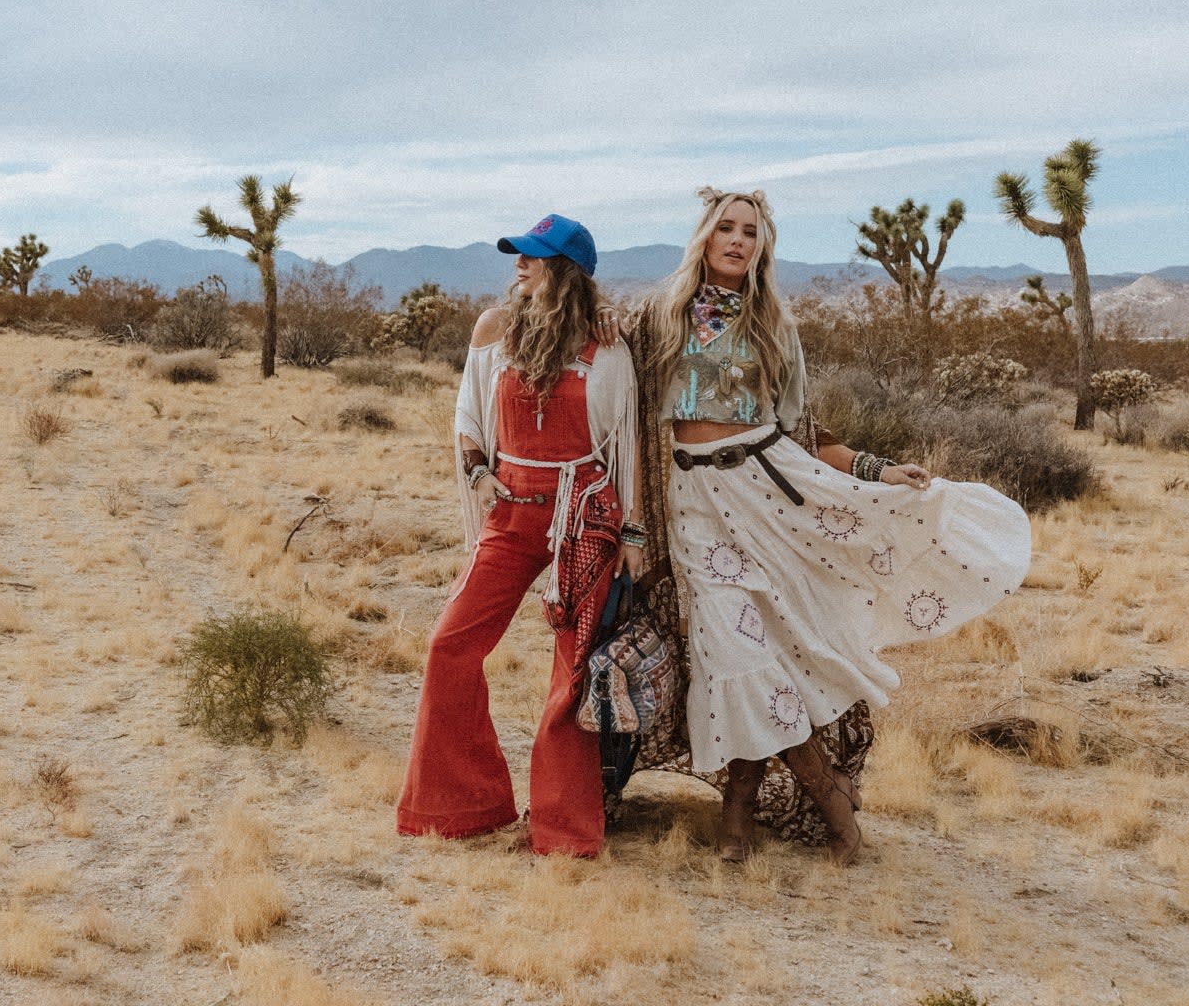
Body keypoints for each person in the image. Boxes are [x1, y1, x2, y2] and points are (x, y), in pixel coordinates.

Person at [622, 187, 1032, 863]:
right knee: (733, 653)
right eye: (726, 228)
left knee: (768, 659)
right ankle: (827, 806)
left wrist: (877, 470)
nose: (737, 240)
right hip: (696, 503)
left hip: (770, 490)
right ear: (704, 236)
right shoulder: (659, 319)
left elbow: (807, 430)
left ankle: (743, 815)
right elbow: (625, 408)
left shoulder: (773, 326)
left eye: (750, 232)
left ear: (762, 247)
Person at [397, 213, 644, 857]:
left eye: (534, 255)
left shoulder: (607, 345)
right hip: (511, 511)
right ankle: (464, 806)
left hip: (583, 512)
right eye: (519, 253)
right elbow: (468, 415)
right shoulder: (494, 329)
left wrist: (633, 533)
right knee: (449, 645)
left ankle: (561, 831)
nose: (519, 263)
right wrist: (478, 470)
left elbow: (627, 446)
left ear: (567, 270)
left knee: (571, 670)